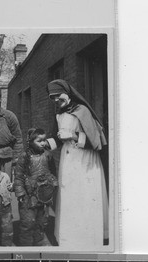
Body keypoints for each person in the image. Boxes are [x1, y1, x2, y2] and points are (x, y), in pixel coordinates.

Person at [46, 79, 109, 250]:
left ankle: (87, 238)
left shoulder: (82, 111)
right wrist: (45, 145)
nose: (57, 101)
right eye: (53, 98)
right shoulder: (59, 114)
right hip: (69, 161)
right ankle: (69, 238)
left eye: (59, 96)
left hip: (85, 162)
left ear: (67, 92)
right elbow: (56, 138)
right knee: (70, 198)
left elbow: (95, 141)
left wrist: (73, 137)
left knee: (84, 198)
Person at [14, 128, 58, 246]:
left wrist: (53, 183)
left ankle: (39, 243)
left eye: (44, 140)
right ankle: (26, 246)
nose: (43, 143)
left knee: (41, 222)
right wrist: (20, 193)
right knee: (27, 222)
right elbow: (18, 176)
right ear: (30, 141)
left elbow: (53, 171)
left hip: (44, 195)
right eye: (39, 141)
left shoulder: (48, 155)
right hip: (28, 196)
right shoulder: (24, 156)